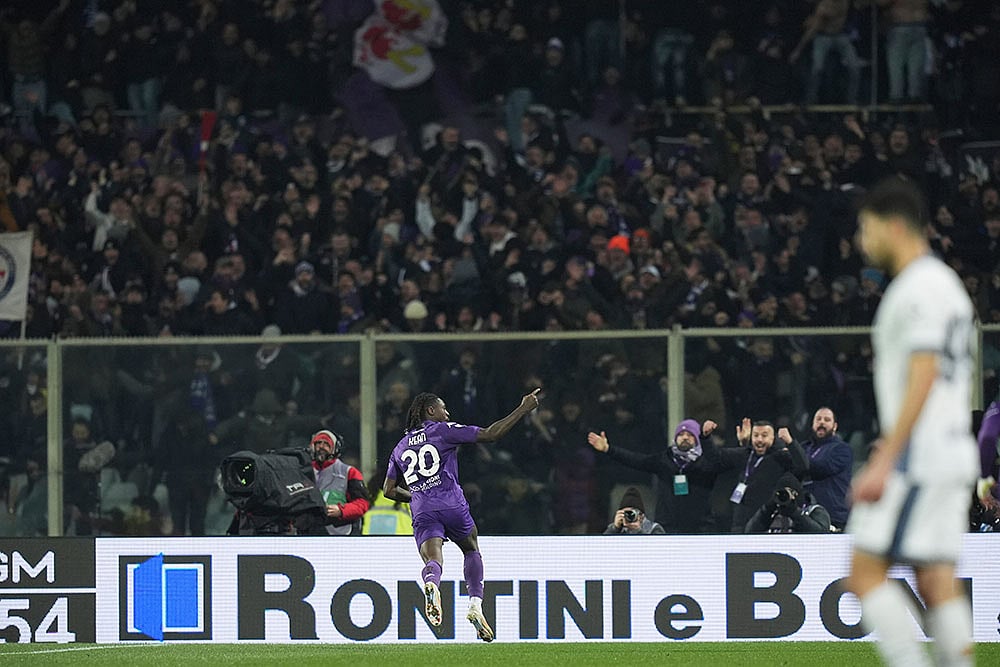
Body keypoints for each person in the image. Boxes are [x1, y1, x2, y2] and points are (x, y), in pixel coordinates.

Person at [846, 177, 978, 667]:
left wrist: (885, 456)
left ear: (894, 227)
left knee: (864, 572)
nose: (862, 241)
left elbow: (925, 371)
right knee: (935, 579)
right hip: (948, 450)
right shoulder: (946, 285)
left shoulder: (918, 287)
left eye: (867, 228)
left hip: (918, 455)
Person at [382, 388, 541, 642]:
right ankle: (475, 604)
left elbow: (388, 490)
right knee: (470, 548)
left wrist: (417, 496)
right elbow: (491, 434)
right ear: (430, 410)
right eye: (443, 408)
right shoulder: (443, 430)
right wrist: (523, 408)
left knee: (433, 558)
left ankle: (432, 583)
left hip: (423, 509)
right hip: (451, 504)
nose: (447, 413)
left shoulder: (399, 447)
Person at [587, 418, 719, 533]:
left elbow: (725, 461)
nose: (685, 437)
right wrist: (609, 449)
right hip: (667, 530)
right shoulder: (664, 460)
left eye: (690, 434)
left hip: (701, 531)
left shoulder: (707, 462)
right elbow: (635, 460)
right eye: (681, 434)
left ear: (698, 439)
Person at [712, 418, 808, 533]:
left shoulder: (781, 457)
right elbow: (716, 458)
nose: (759, 439)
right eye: (756, 435)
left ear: (772, 438)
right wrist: (705, 437)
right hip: (740, 522)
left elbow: (803, 467)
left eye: (764, 435)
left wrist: (791, 443)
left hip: (766, 524)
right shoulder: (746, 454)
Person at [801, 407, 853, 530]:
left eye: (827, 420)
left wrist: (792, 448)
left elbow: (821, 468)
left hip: (833, 517)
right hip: (804, 516)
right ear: (813, 424)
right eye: (818, 419)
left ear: (835, 426)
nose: (822, 423)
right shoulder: (804, 447)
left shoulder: (842, 449)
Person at [309, 430, 370, 536]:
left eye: (326, 444)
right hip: (309, 533)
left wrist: (341, 511)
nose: (321, 447)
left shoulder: (349, 472)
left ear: (335, 448)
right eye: (318, 443)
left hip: (341, 534)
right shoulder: (303, 471)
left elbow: (362, 504)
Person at [744, 475, 832, 534]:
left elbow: (821, 535)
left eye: (791, 492)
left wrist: (795, 514)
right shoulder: (772, 514)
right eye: (783, 493)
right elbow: (749, 532)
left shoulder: (814, 511)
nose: (788, 497)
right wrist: (767, 509)